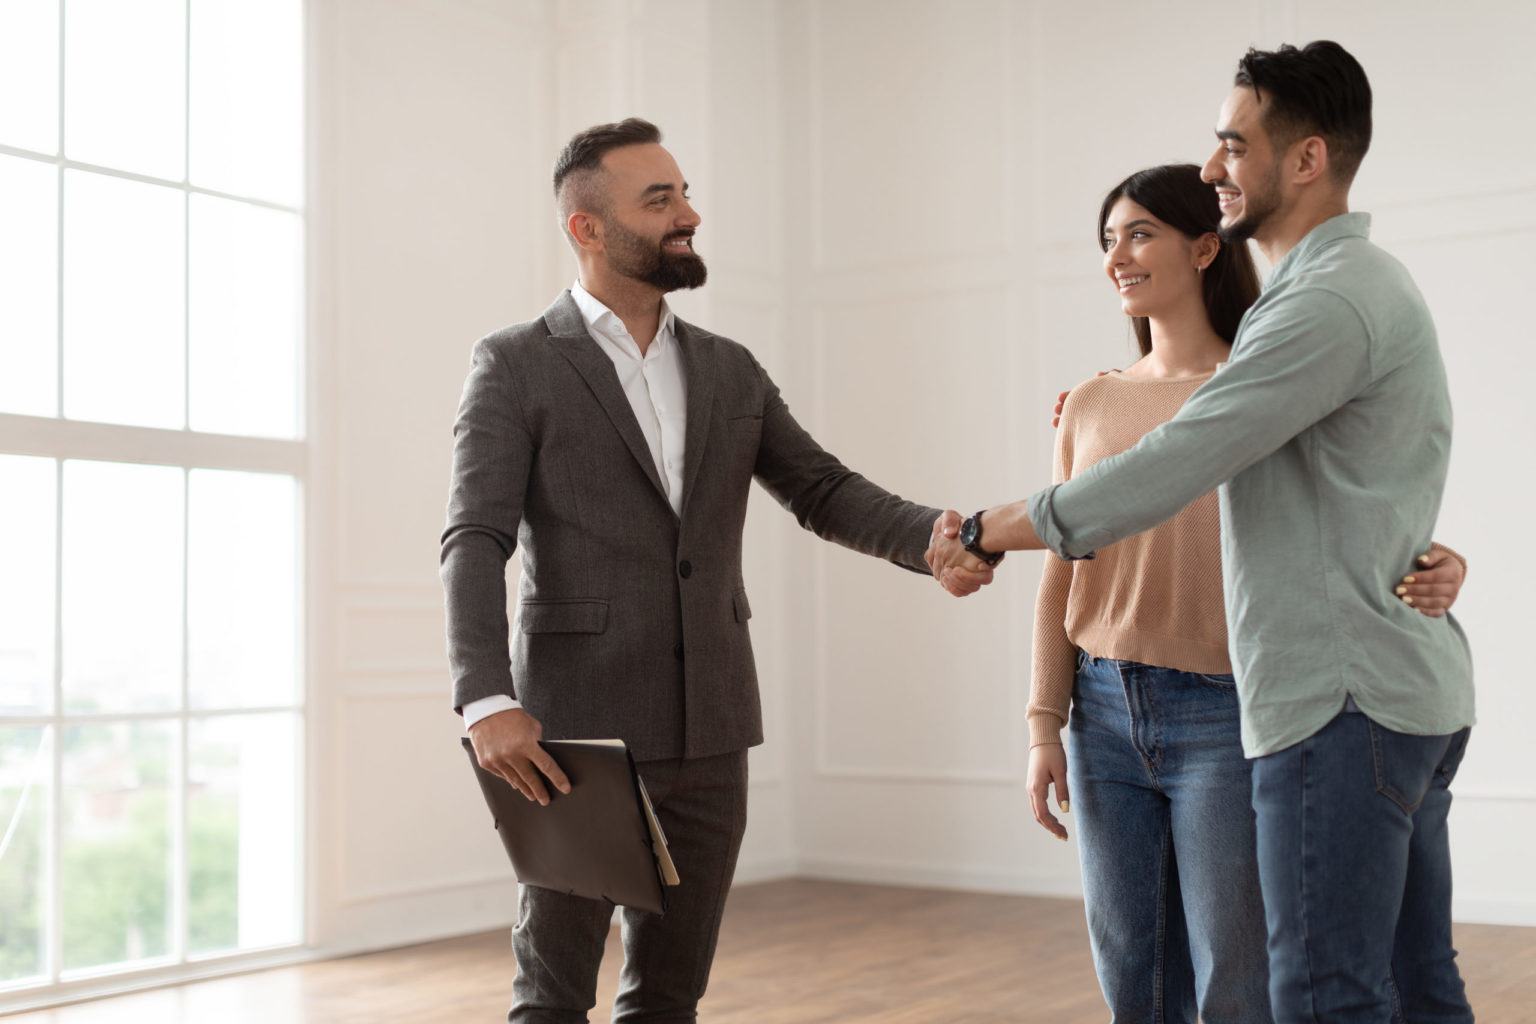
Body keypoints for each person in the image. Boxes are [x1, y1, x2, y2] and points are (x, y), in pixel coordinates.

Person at [931, 42, 1475, 1023]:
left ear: (1304, 160)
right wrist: (1044, 717)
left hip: (1330, 699)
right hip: (1346, 692)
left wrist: (983, 526)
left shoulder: (1316, 309)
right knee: (1406, 987)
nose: (1214, 167)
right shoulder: (1342, 299)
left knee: (1315, 996)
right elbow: (1369, 475)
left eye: (1232, 144)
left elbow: (1168, 469)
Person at [440, 117, 987, 1023]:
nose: (688, 214)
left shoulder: (728, 370)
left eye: (685, 193)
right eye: (660, 200)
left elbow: (822, 488)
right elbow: (475, 537)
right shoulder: (515, 363)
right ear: (587, 227)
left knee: (670, 996)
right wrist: (485, 697)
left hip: (713, 729)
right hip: (574, 737)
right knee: (553, 994)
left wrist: (934, 538)